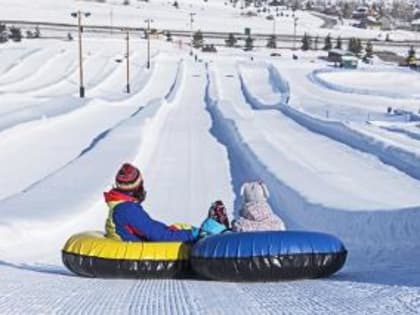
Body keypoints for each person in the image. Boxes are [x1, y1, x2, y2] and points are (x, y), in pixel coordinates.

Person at [104, 163, 200, 242]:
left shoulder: (119, 206)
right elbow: (159, 235)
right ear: (136, 187)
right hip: (137, 259)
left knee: (179, 226)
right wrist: (193, 235)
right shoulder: (127, 209)